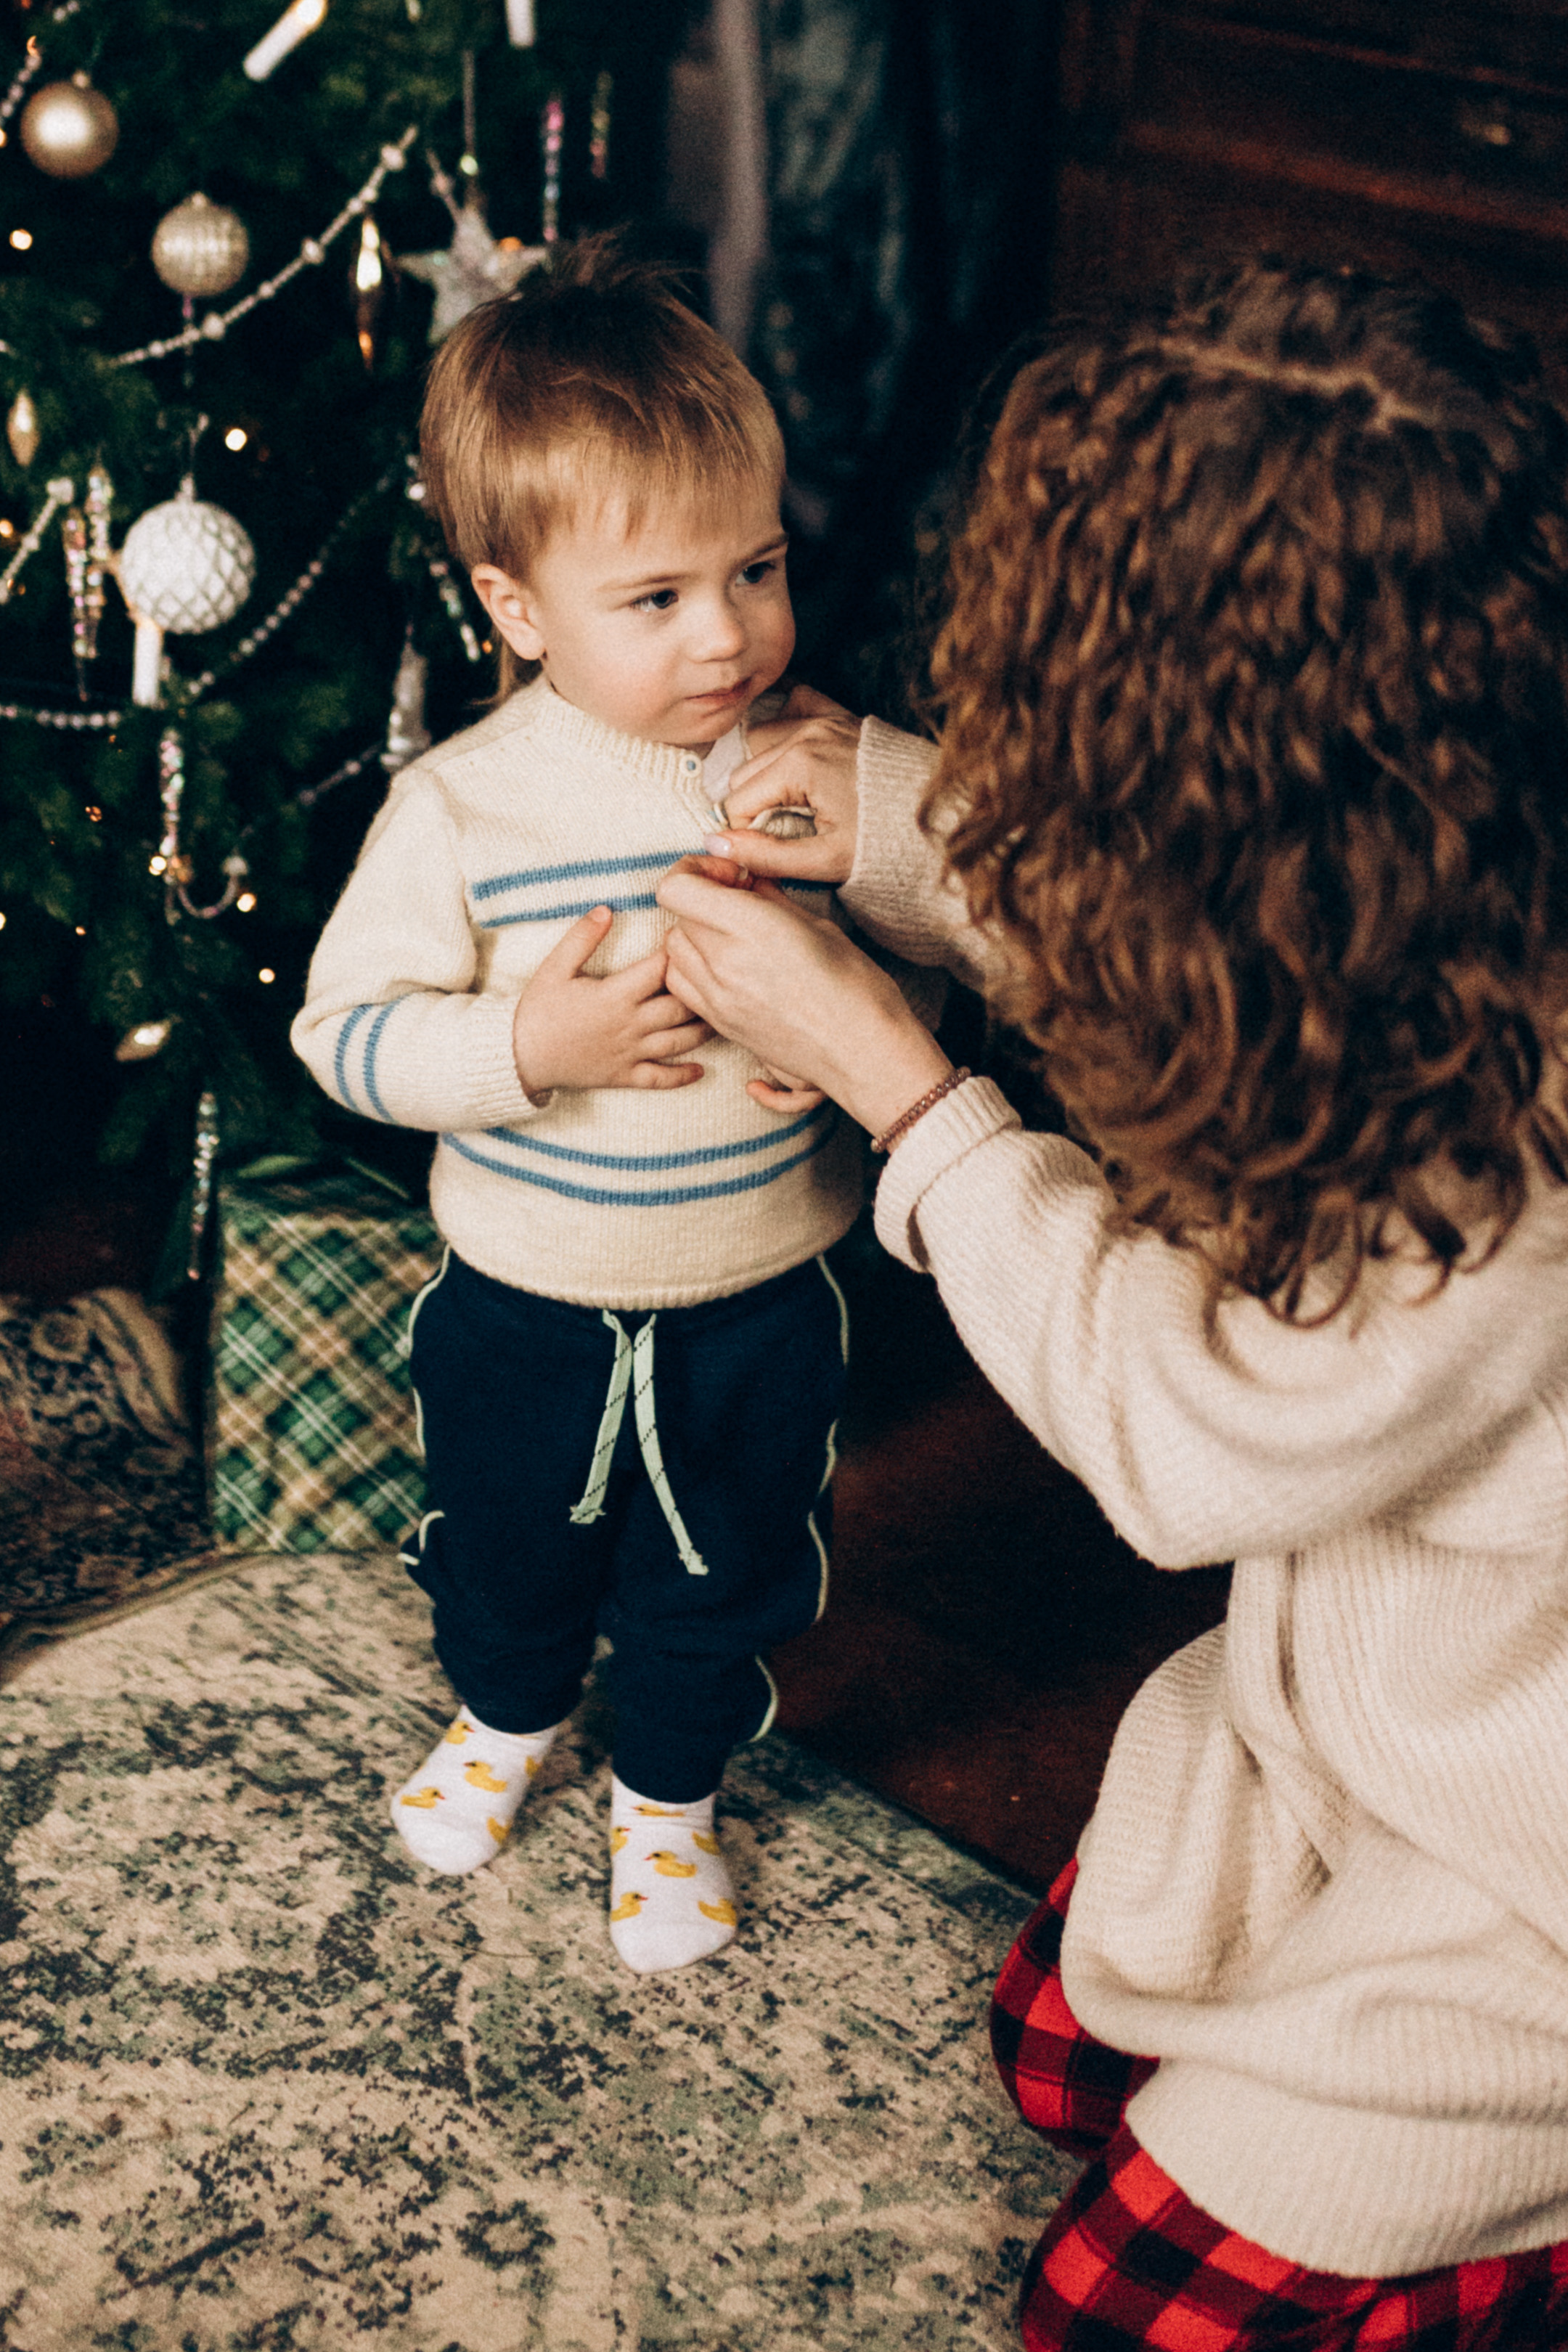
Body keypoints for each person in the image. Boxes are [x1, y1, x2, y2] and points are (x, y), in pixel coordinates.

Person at [656, 261, 1568, 2340]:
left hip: (1538, 1845)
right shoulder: (1434, 870)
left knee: (1113, 2310)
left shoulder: (1510, 1169)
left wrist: (907, 1090)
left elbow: (1187, 1437)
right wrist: (887, 809)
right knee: (1059, 2053)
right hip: (1372, 1688)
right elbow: (1202, 911)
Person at [292, 237, 930, 1976]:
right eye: (656, 600)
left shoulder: (813, 774)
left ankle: (668, 1801)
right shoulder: (466, 810)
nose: (727, 634)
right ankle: (505, 1718)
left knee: (726, 1570)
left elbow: (912, 972)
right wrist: (526, 1051)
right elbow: (341, 1038)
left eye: (758, 569)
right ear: (516, 610)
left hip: (756, 1296)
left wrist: (856, 1035)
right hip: (523, 1299)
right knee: (504, 1551)